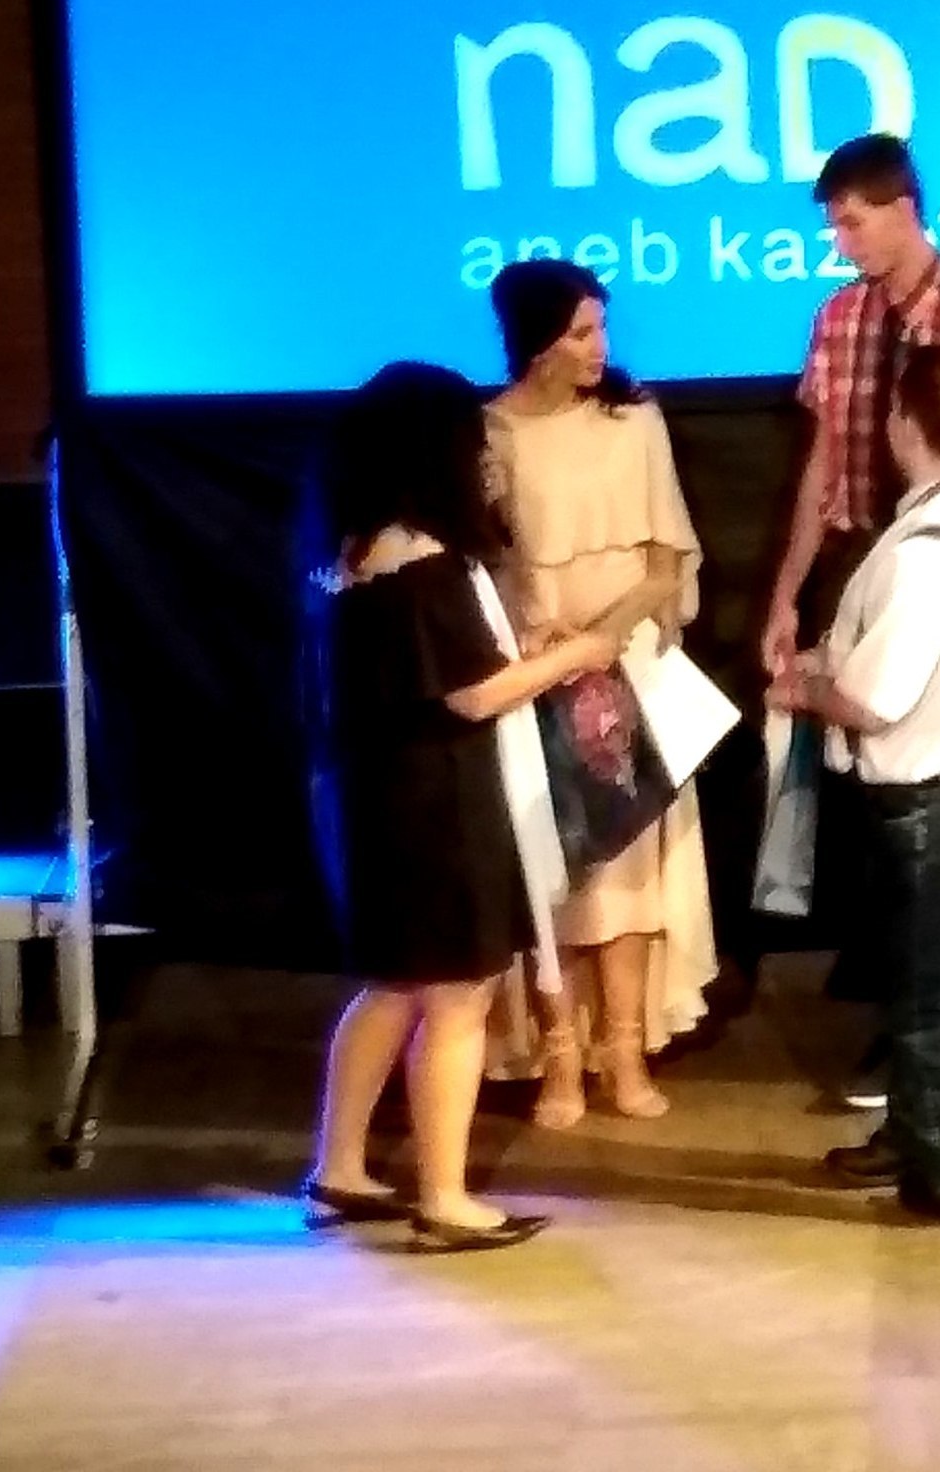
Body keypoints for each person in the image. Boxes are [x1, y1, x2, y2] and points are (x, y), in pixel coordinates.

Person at [758, 132, 940, 1111]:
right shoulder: (838, 318)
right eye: (833, 226)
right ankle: (910, 1028)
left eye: (853, 221)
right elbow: (822, 464)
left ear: (903, 208)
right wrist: (788, 592)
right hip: (867, 559)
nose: (841, 241)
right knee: (884, 819)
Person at [301, 362, 627, 1254]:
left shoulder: (353, 555)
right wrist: (576, 655)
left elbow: (431, 673)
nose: (486, 461)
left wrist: (527, 648)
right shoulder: (429, 564)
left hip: (378, 802)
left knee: (393, 985)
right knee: (456, 994)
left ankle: (339, 1167)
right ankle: (444, 1198)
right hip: (436, 809)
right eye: (474, 445)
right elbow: (472, 695)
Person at [767, 343, 940, 1224]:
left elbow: (875, 704)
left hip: (938, 799)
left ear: (906, 426)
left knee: (929, 1003)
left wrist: (800, 689)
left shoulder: (924, 554)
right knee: (931, 984)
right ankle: (913, 1138)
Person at [483, 257, 713, 1126]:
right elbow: (489, 566)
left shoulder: (633, 422)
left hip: (628, 670)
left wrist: (605, 639)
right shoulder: (490, 434)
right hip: (535, 675)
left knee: (630, 872)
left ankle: (625, 1050)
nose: (599, 347)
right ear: (538, 341)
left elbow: (665, 561)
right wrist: (540, 639)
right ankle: (560, 1056)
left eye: (601, 328)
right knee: (560, 875)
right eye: (582, 332)